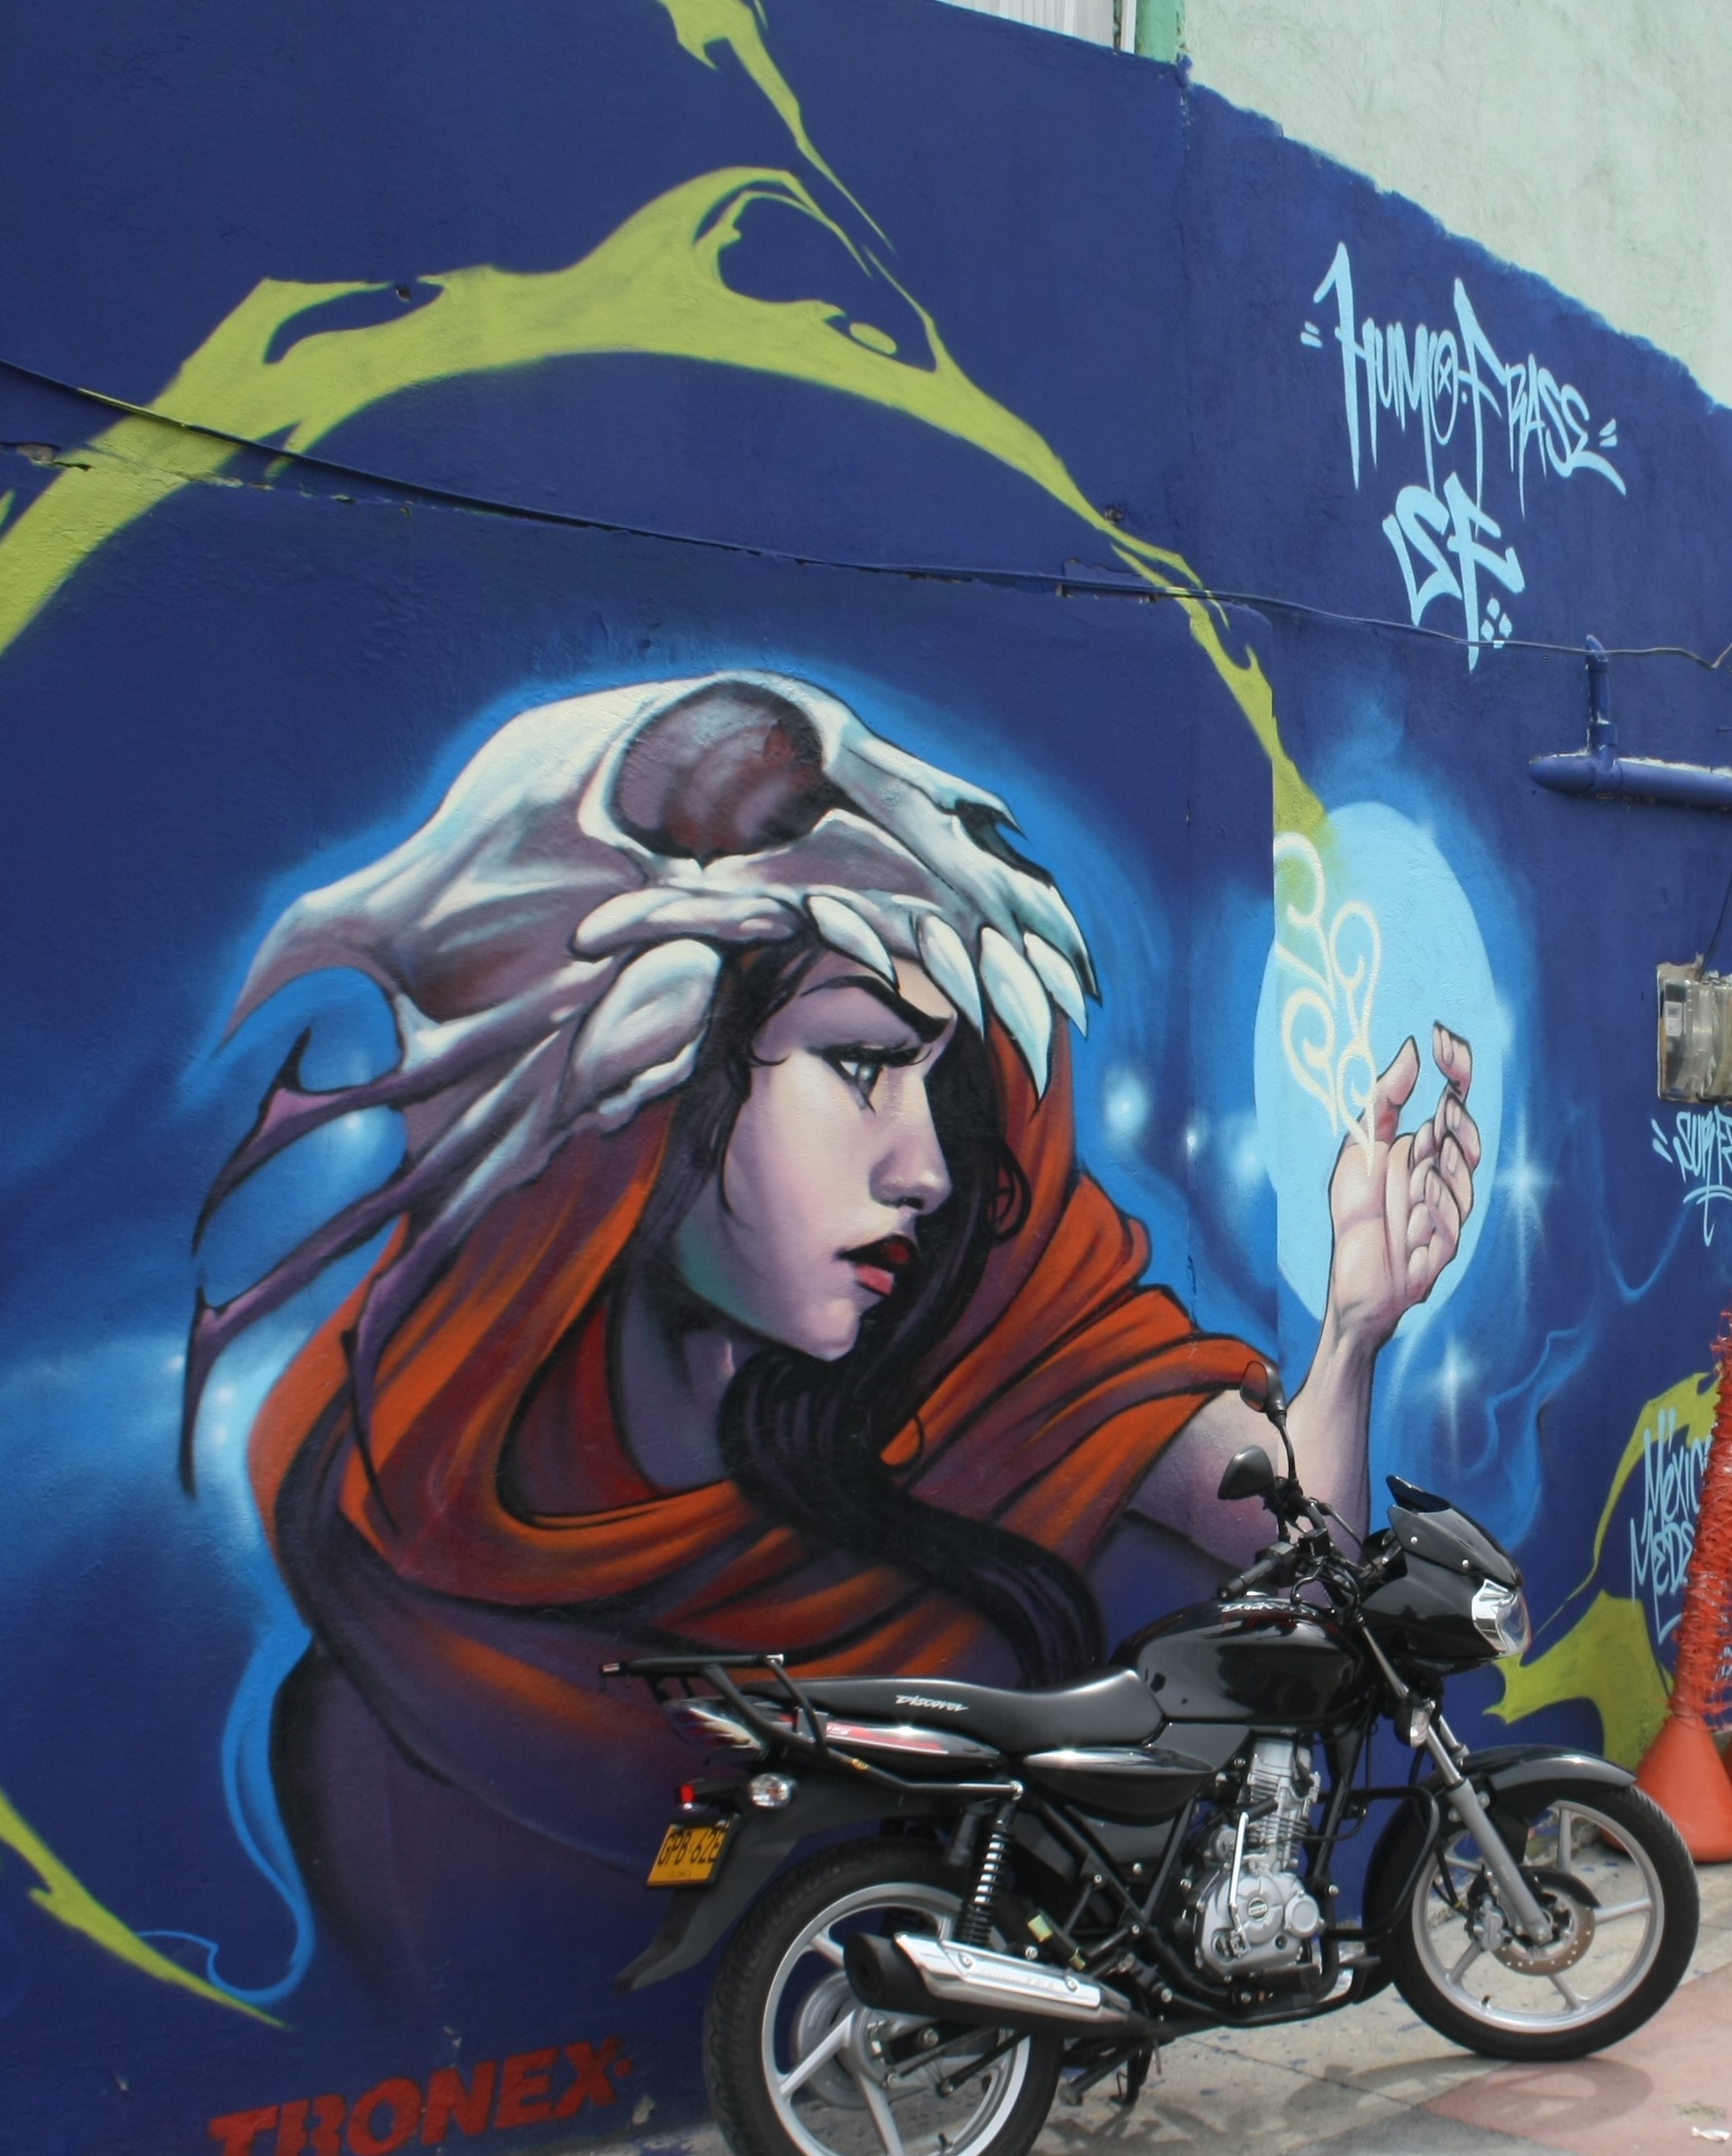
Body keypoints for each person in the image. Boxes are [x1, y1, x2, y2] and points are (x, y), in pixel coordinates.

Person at [185, 673, 1478, 1968]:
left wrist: (1352, 1331)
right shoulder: (395, 1617)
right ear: (652, 1077)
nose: (926, 1172)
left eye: (935, 1085)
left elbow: (1303, 1560)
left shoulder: (1011, 1331)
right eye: (859, 1065)